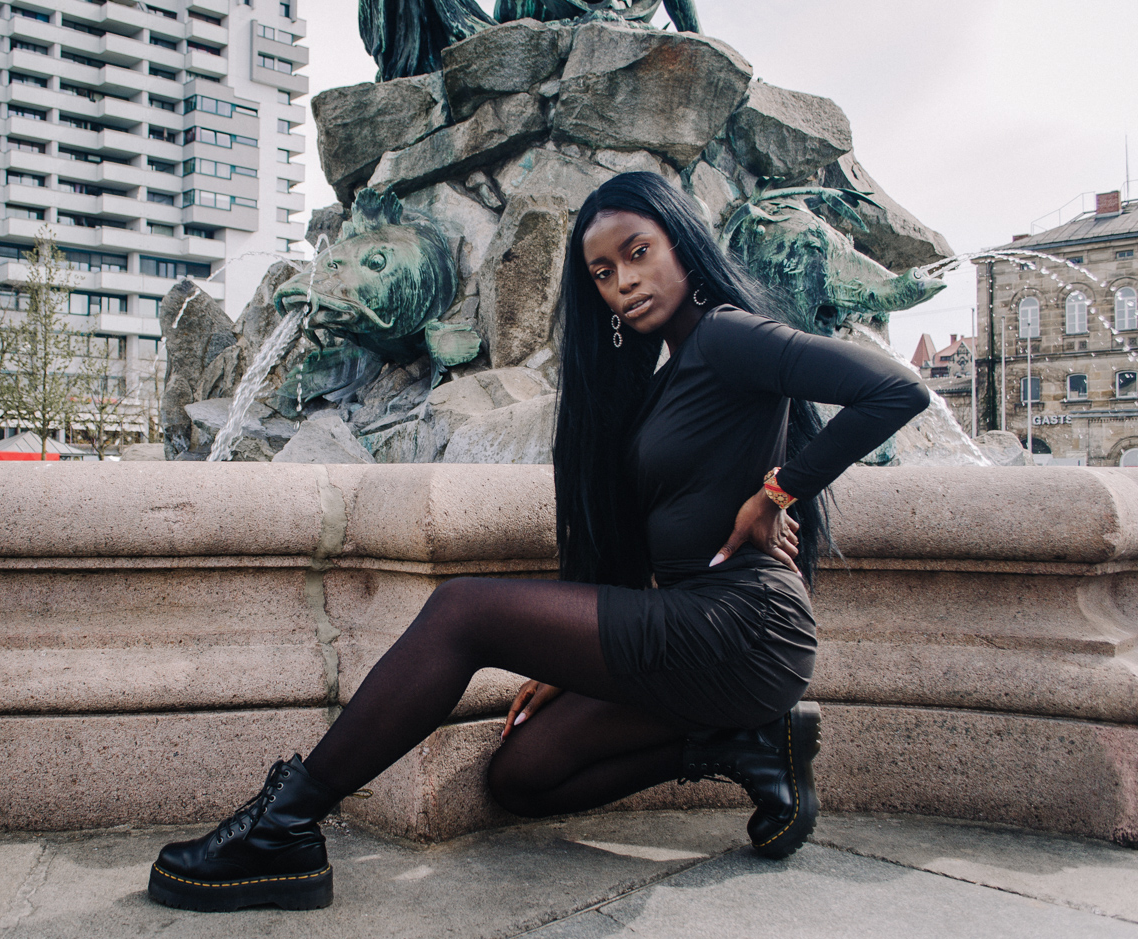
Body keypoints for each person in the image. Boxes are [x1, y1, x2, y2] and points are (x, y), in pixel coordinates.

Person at [147, 172, 930, 913]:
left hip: (742, 631)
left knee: (462, 612)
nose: (622, 281)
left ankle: (284, 822)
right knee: (523, 774)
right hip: (697, 637)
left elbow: (896, 389)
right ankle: (745, 744)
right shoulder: (667, 374)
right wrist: (567, 659)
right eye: (600, 272)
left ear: (682, 244)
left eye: (637, 252)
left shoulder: (728, 335)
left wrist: (778, 491)